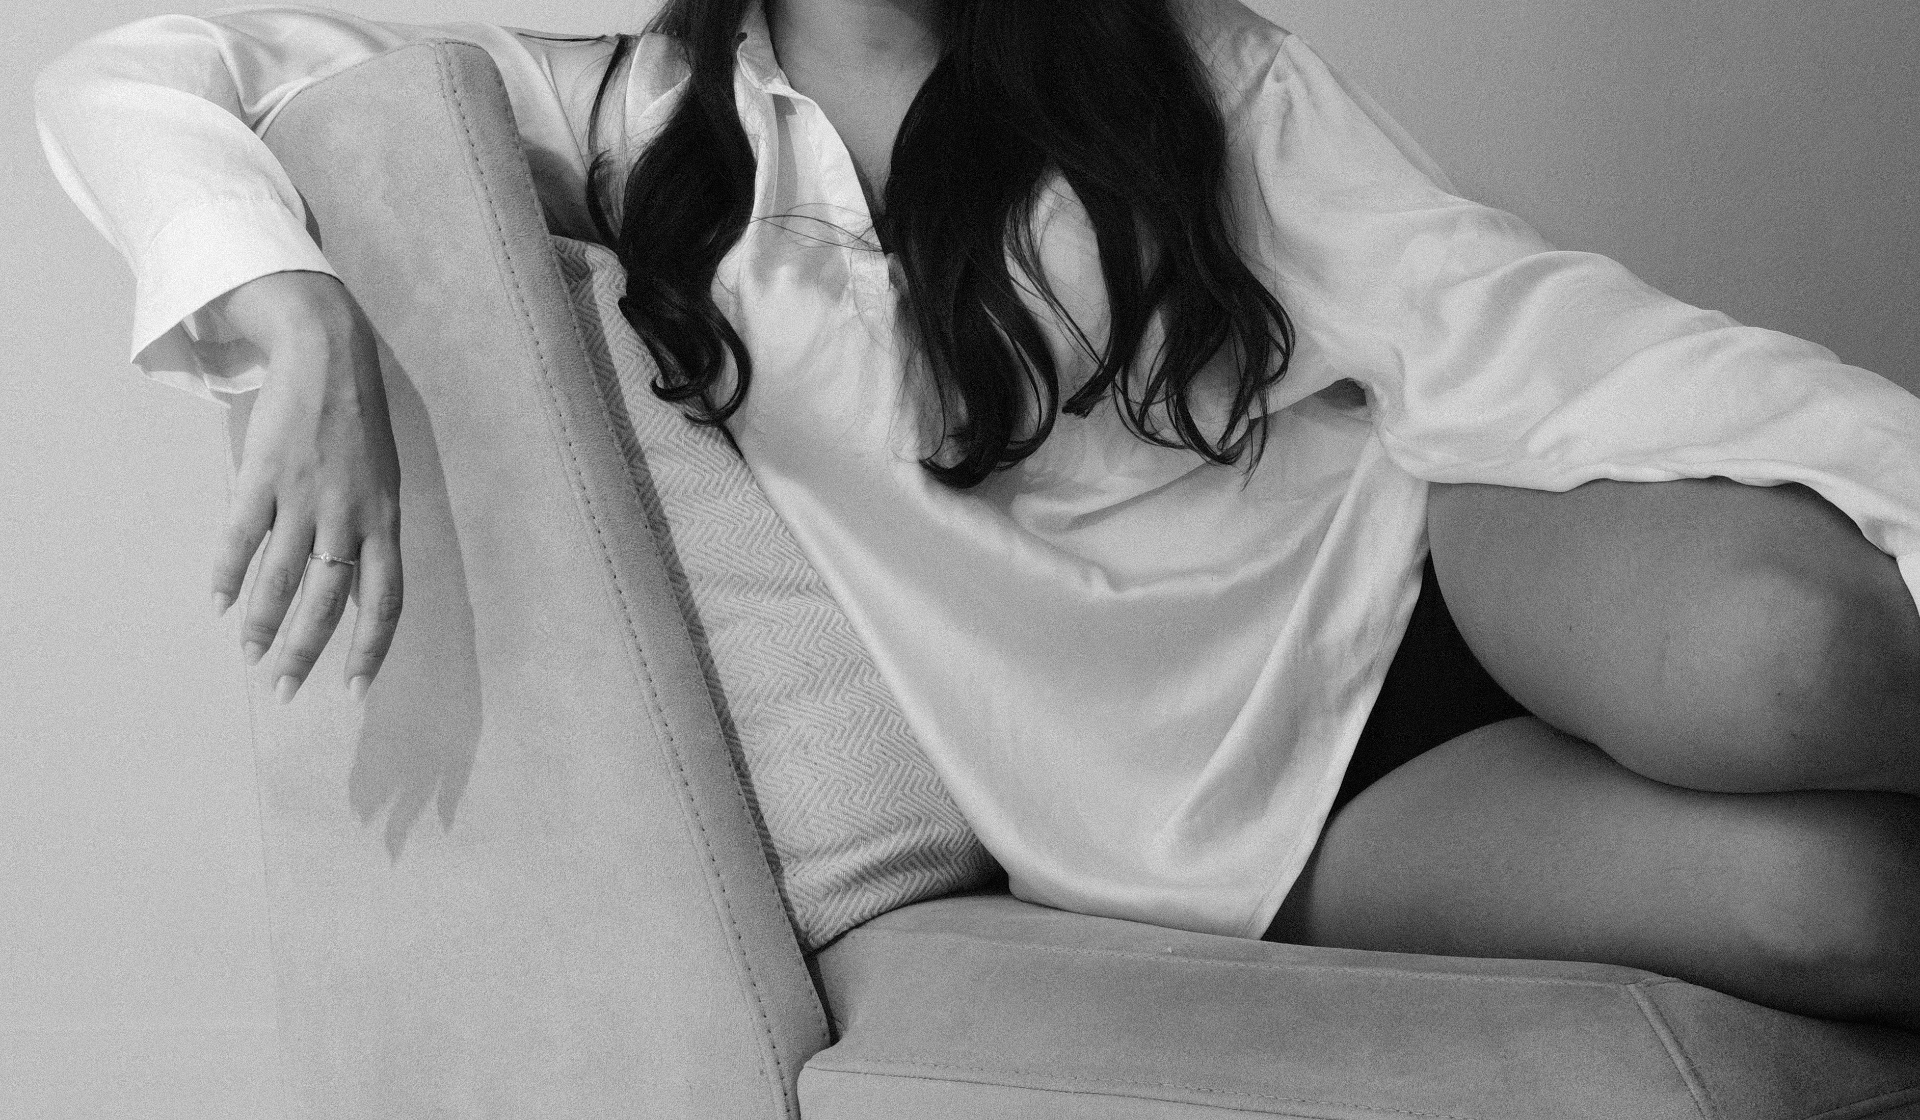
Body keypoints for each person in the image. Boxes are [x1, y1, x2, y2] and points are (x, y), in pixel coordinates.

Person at [35, 0, 1920, 1028]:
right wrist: (283, 305)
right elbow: (144, 66)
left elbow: (1523, 328)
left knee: (1799, 652)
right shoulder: (634, 126)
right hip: (1246, 814)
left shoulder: (1178, 65)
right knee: (1846, 913)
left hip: (1432, 558)